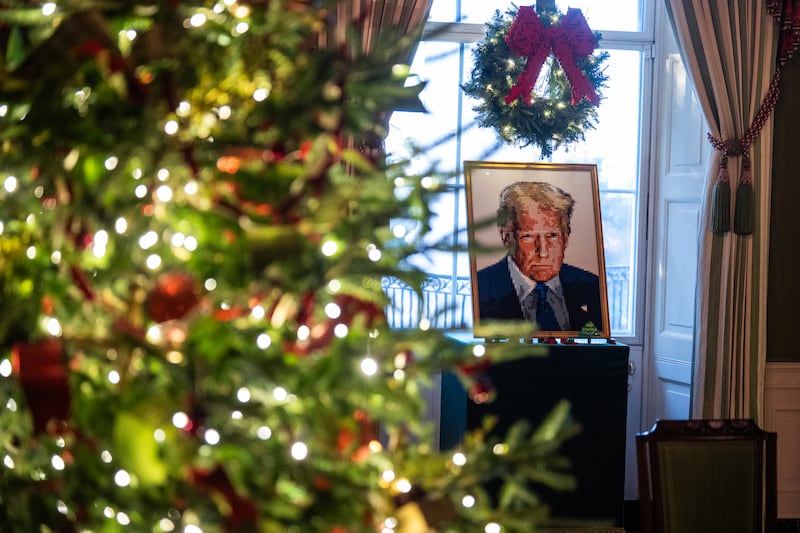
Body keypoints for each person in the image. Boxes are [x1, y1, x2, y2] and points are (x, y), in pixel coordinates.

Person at [476, 181, 603, 332]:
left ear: (566, 238)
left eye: (552, 235)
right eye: (528, 236)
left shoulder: (592, 286)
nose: (543, 252)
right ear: (506, 237)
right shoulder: (480, 287)